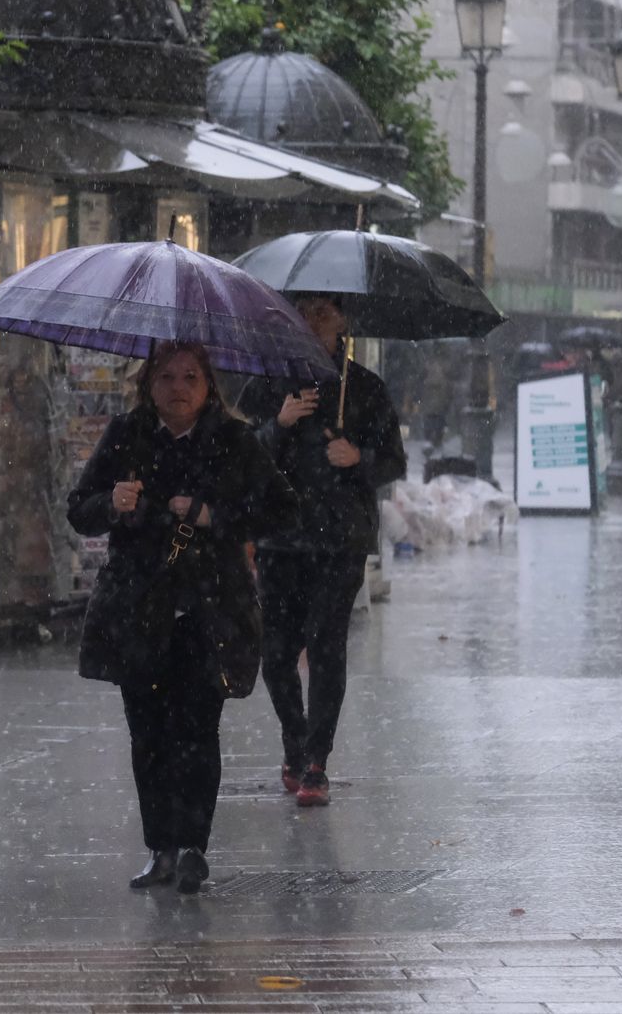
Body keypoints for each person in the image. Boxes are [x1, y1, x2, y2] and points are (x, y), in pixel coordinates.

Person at [68, 341, 297, 894]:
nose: (178, 387)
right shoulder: (126, 435)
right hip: (138, 607)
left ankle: (194, 846)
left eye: (190, 376)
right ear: (148, 383)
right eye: (166, 376)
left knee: (197, 729)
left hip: (209, 606)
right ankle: (160, 848)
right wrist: (113, 504)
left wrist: (214, 515)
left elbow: (282, 507)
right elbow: (80, 508)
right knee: (147, 732)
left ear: (208, 385)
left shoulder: (234, 441)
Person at [236, 295, 407, 807]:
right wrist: (279, 424)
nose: (313, 322)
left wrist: (358, 458)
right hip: (280, 538)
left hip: (339, 539)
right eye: (303, 311)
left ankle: (316, 759)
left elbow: (393, 462)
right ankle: (295, 738)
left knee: (326, 643)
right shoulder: (267, 385)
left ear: (343, 322)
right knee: (278, 650)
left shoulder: (366, 389)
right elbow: (242, 458)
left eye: (324, 312)